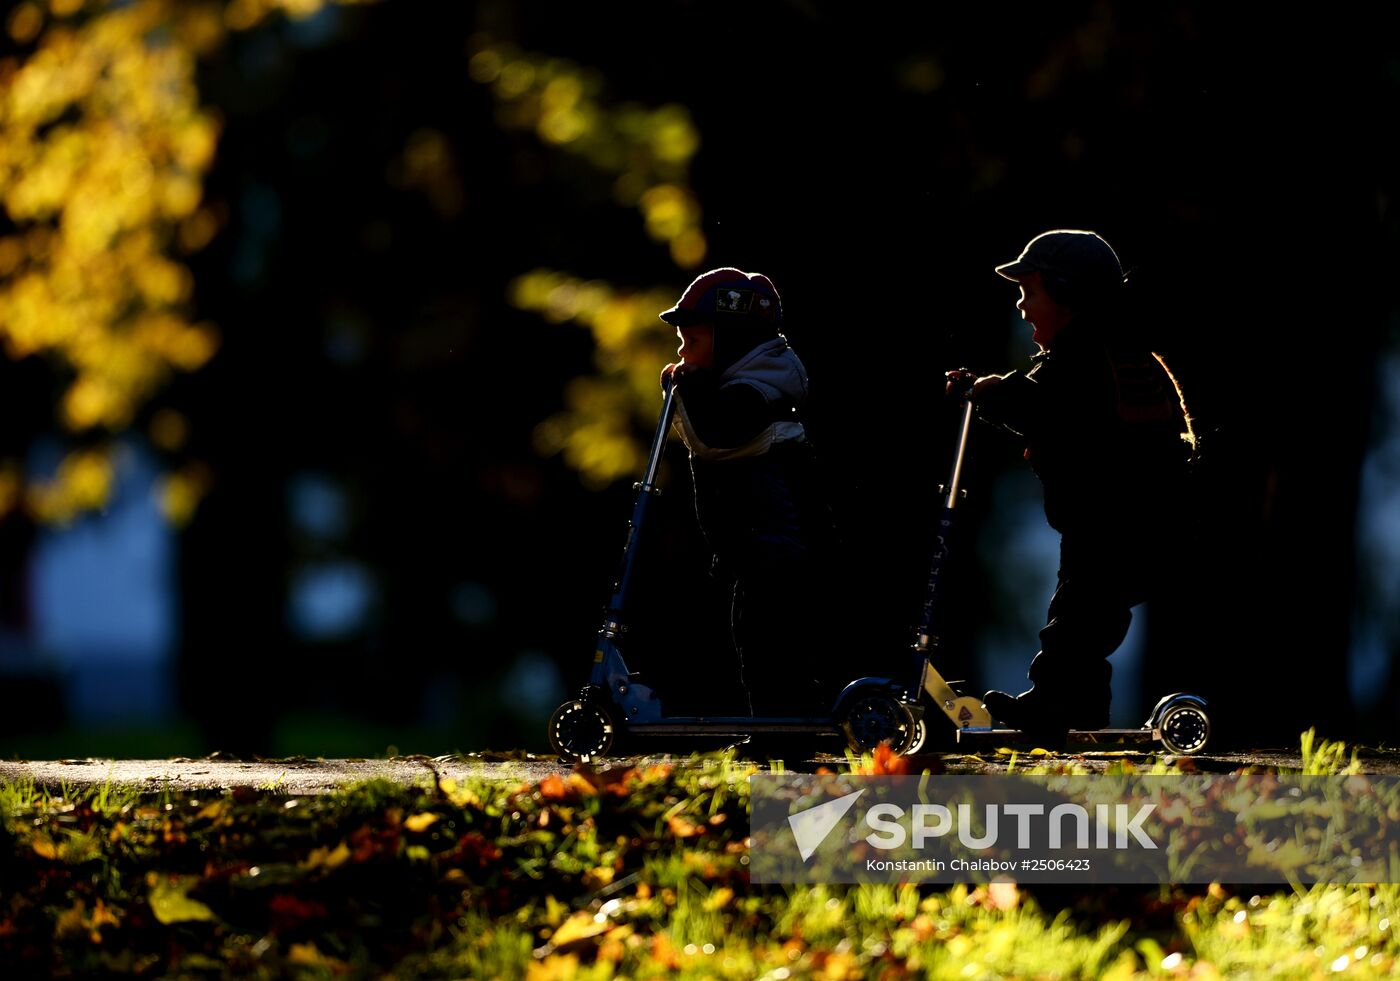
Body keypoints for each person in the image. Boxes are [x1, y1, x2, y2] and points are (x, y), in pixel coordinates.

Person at [946, 230, 1195, 742]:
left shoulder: (1086, 359)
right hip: (1126, 521)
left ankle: (1056, 700)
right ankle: (1079, 701)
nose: (1021, 306)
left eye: (1030, 292)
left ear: (1069, 294)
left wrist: (990, 392)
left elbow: (1047, 407)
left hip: (1119, 523)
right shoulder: (1119, 352)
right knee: (1086, 617)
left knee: (1077, 618)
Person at [659, 267, 838, 715]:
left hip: (777, 550)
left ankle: (785, 718)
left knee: (769, 635)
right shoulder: (743, 389)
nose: (683, 356)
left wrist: (686, 389)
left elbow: (714, 438)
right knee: (756, 634)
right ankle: (777, 716)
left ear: (731, 343)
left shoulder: (753, 395)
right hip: (756, 548)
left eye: (692, 343)